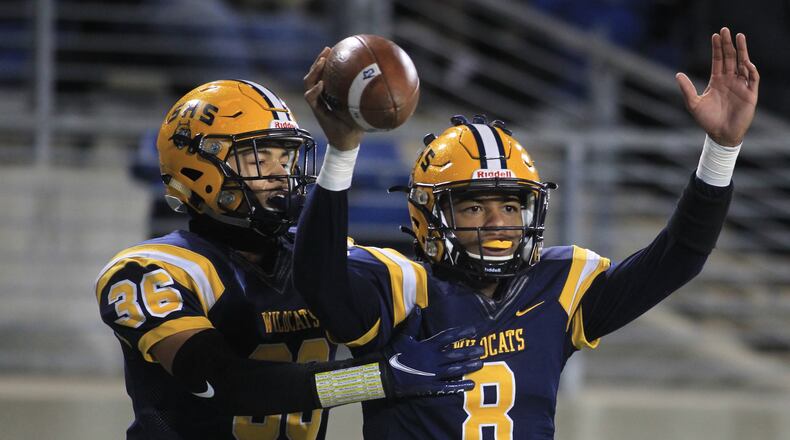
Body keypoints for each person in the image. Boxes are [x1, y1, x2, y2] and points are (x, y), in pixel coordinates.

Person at [294, 27, 758, 438]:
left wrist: (721, 149)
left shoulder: (558, 288)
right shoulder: (402, 290)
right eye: (475, 206)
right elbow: (319, 283)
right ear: (428, 216)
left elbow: (680, 256)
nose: (498, 222)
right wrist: (341, 152)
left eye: (512, 205)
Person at [94, 79, 483, 439]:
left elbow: (456, 296)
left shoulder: (329, 260)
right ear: (198, 166)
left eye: (287, 156)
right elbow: (224, 383)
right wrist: (377, 378)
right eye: (259, 156)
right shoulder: (150, 270)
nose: (283, 173)